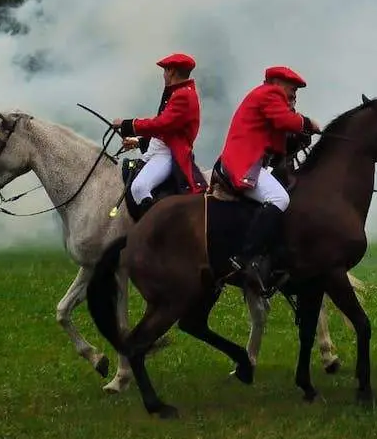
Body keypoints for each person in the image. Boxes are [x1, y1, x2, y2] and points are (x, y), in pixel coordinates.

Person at [215, 65, 320, 294]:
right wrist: (308, 124)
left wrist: (300, 135)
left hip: (250, 162)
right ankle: (245, 257)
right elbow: (285, 121)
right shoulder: (269, 95)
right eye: (292, 88)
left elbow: (278, 139)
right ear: (277, 83)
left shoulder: (266, 97)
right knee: (279, 198)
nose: (294, 94)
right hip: (242, 164)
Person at [113, 53, 203, 217]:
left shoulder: (183, 95)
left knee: (139, 187)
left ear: (171, 71)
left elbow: (161, 124)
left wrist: (127, 124)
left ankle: (153, 234)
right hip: (157, 150)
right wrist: (138, 142)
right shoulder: (177, 93)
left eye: (165, 71)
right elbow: (164, 130)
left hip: (167, 154)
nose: (163, 75)